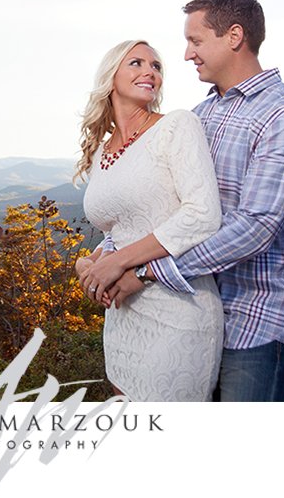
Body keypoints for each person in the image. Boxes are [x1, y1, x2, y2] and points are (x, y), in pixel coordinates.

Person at [85, 0, 284, 402]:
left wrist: (142, 273)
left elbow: (256, 227)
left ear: (234, 36)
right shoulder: (200, 116)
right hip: (186, 305)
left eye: (195, 41)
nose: (186, 55)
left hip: (255, 317)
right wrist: (103, 258)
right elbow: (159, 206)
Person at [75, 39, 224, 401]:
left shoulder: (177, 126)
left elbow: (203, 215)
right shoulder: (102, 151)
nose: (149, 72)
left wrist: (119, 264)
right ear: (111, 77)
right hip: (123, 315)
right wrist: (93, 263)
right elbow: (119, 227)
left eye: (156, 67)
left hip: (179, 310)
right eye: (136, 63)